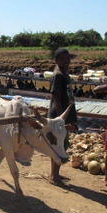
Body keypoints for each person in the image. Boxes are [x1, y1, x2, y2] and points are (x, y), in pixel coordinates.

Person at [48, 48, 77, 187]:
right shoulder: (58, 75)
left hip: (64, 115)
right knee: (59, 146)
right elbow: (57, 98)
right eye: (62, 59)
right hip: (59, 116)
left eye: (68, 58)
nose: (66, 61)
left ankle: (55, 173)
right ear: (56, 60)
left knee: (60, 145)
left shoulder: (64, 73)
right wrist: (61, 119)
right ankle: (54, 177)